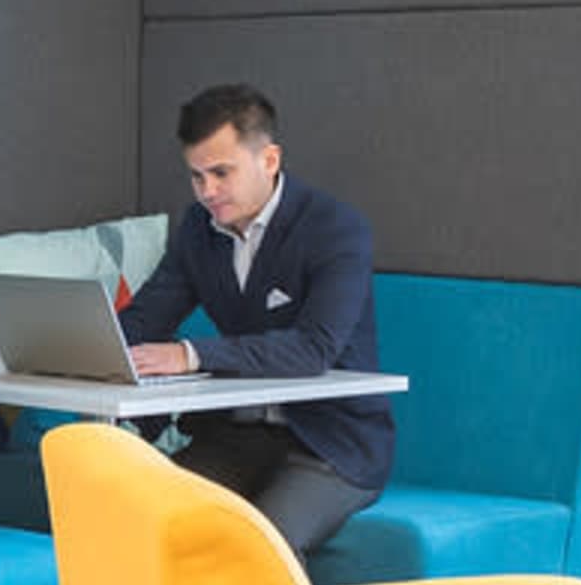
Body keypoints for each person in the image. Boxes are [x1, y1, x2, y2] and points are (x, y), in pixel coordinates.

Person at [115, 82, 392, 555]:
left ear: (269, 160)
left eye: (221, 173)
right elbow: (146, 318)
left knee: (259, 546)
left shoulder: (335, 228)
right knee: (147, 516)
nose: (208, 192)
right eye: (197, 177)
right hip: (237, 438)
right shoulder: (199, 230)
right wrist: (86, 345)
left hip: (328, 445)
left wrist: (191, 354)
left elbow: (314, 348)